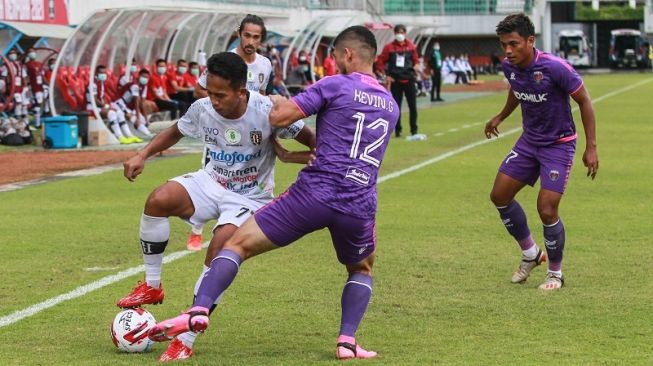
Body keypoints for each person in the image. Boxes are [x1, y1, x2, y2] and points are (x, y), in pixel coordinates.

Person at [148, 25, 399, 361]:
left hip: (314, 193)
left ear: (348, 54)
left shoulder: (336, 84)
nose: (333, 61)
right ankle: (347, 342)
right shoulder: (390, 104)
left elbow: (281, 115)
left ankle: (198, 310)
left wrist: (280, 100)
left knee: (236, 245)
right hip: (359, 201)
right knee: (361, 269)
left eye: (335, 55)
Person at [117, 52, 315, 361]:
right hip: (212, 182)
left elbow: (315, 142)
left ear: (241, 90)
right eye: (209, 92)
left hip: (250, 195)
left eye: (220, 94)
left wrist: (290, 157)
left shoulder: (267, 111)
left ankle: (186, 338)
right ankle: (152, 285)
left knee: (220, 249)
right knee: (158, 200)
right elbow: (175, 131)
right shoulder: (202, 109)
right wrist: (143, 154)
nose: (214, 100)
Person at [484, 13, 598, 291]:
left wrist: (591, 147)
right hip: (529, 142)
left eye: (513, 43)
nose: (508, 51)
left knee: (546, 209)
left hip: (558, 144)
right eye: (503, 45)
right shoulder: (509, 66)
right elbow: (517, 89)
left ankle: (555, 273)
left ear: (530, 41)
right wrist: (500, 116)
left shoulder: (556, 68)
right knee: (499, 195)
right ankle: (531, 253)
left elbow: (584, 101)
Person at [189, 14, 273, 251]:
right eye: (247, 35)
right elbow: (199, 90)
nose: (251, 41)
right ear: (239, 34)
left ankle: (240, 218)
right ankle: (196, 230)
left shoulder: (265, 65)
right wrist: (220, 104)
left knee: (250, 174)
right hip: (221, 129)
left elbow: (262, 97)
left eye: (256, 37)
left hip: (250, 131)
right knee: (211, 174)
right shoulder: (225, 62)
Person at [375, 24, 419, 138]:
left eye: (402, 32)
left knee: (412, 106)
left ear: (405, 33)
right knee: (396, 107)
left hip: (409, 79)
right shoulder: (389, 47)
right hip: (395, 80)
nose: (401, 35)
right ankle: (398, 130)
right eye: (398, 32)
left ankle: (414, 130)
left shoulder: (411, 46)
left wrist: (417, 66)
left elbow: (416, 60)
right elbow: (379, 63)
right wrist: (385, 76)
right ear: (395, 34)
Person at [87, 65, 141, 144]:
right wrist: (107, 107)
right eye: (101, 72)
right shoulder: (93, 84)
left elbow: (102, 97)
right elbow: (95, 101)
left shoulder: (101, 82)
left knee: (119, 112)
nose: (103, 74)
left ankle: (129, 135)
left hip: (99, 107)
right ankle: (119, 137)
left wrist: (108, 105)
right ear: (96, 73)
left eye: (104, 72)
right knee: (111, 113)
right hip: (91, 107)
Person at [24, 48, 45, 127]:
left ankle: (38, 122)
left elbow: (42, 76)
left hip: (40, 87)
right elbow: (25, 77)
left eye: (33, 52)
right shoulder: (27, 65)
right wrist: (26, 87)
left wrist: (47, 84)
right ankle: (32, 123)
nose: (32, 53)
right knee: (33, 105)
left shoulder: (39, 64)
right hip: (32, 87)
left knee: (40, 105)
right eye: (30, 52)